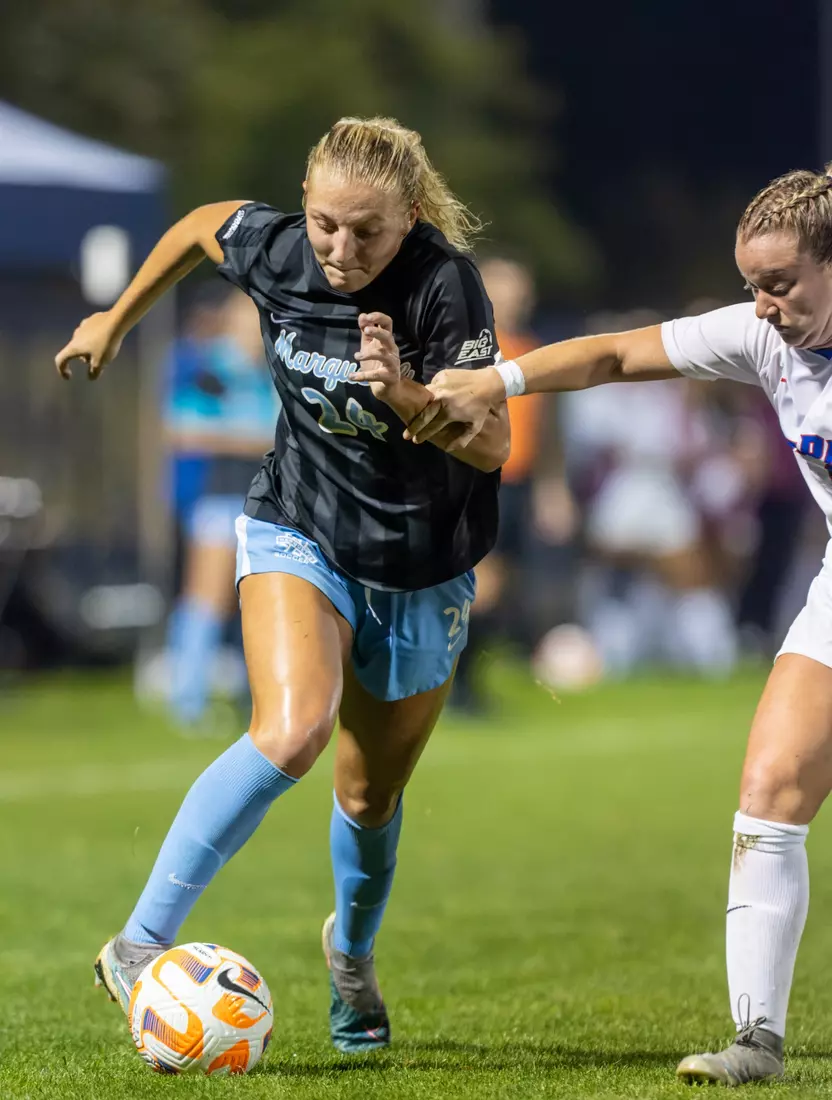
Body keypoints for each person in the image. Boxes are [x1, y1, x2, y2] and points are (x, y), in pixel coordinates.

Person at [55, 116, 509, 1055]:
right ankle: (138, 944)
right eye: (324, 224)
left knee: (368, 796)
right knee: (293, 728)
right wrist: (114, 321)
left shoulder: (443, 288)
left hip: (424, 569)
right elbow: (193, 229)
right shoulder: (276, 245)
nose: (340, 251)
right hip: (296, 526)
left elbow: (495, 442)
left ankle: (350, 956)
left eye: (367, 232)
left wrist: (412, 400)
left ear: (412, 216)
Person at [405, 164, 832, 1085]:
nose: (760, 305)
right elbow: (614, 355)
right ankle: (756, 1044)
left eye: (781, 284)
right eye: (752, 283)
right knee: (768, 788)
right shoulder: (763, 338)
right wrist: (499, 379)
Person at [160, 289, 278, 730]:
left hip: (268, 503)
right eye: (245, 321)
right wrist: (258, 438)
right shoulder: (212, 369)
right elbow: (182, 428)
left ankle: (260, 698)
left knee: (260, 603)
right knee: (205, 597)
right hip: (221, 497)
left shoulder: (270, 370)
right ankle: (187, 699)